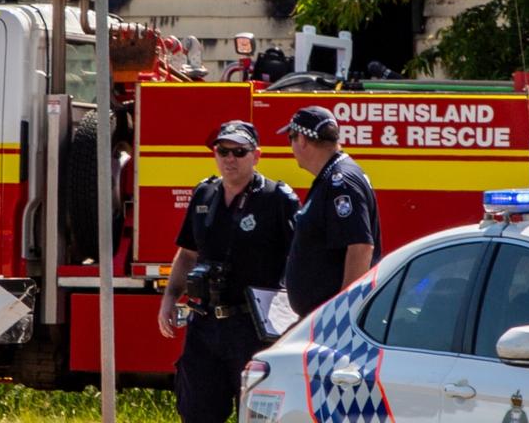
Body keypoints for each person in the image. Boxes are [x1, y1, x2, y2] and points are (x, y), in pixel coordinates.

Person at [157, 120, 298, 423]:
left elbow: (299, 261)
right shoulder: (204, 194)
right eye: (223, 151)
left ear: (256, 155)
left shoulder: (278, 199)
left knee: (256, 415)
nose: (229, 158)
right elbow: (188, 253)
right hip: (204, 325)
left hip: (253, 328)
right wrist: (169, 298)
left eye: (239, 151)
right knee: (196, 411)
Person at [280, 105, 382, 317]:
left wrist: (343, 312)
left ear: (302, 140)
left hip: (333, 321)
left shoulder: (340, 182)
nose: (291, 146)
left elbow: (361, 246)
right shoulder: (331, 177)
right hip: (319, 317)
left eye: (291, 137)